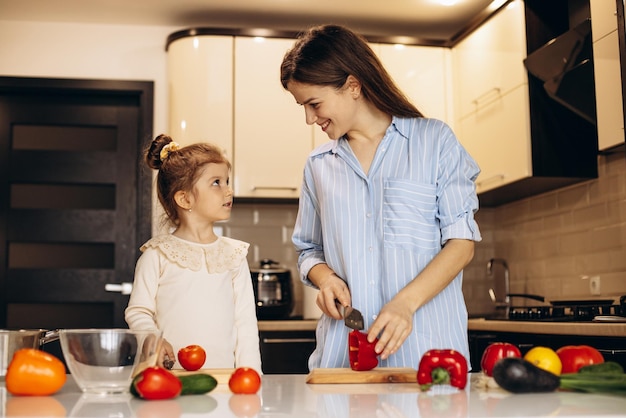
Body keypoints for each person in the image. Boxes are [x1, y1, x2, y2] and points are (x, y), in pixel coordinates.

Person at [280, 24, 482, 370]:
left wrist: (405, 303)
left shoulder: (434, 142)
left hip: (428, 356)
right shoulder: (318, 167)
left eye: (314, 104)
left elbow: (461, 243)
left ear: (352, 85)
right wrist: (325, 278)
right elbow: (308, 251)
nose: (309, 119)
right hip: (343, 360)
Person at [125, 134, 262, 372]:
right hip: (169, 379)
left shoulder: (234, 255)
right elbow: (139, 311)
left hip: (225, 383)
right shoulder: (157, 255)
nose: (228, 191)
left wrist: (253, 377)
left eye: (227, 181)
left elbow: (246, 325)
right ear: (184, 198)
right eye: (217, 182)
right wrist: (151, 338)